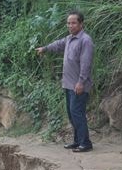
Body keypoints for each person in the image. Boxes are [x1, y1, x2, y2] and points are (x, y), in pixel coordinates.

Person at [36, 10, 94, 152]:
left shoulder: (85, 40)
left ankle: (85, 143)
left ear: (81, 24)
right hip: (68, 84)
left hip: (79, 85)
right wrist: (45, 48)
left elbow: (86, 64)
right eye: (68, 23)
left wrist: (81, 82)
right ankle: (77, 141)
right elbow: (57, 45)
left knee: (76, 112)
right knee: (70, 112)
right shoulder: (69, 39)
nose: (70, 25)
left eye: (73, 23)